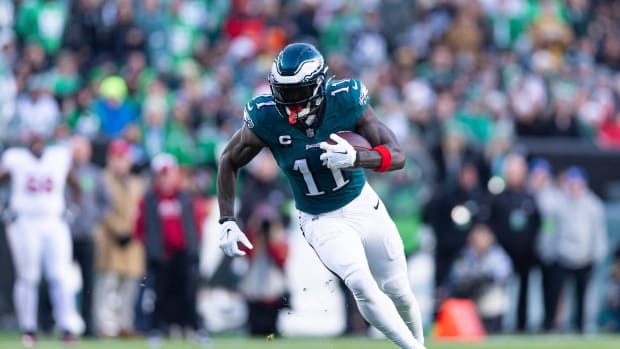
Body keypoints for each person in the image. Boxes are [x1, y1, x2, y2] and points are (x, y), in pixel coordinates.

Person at [217, 43, 425, 349]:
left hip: (363, 205)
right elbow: (229, 160)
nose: (287, 102)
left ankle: (419, 343)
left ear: (317, 85)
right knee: (360, 283)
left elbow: (397, 156)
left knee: (398, 289)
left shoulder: (346, 100)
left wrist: (356, 158)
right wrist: (226, 219)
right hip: (320, 219)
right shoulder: (266, 117)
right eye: (281, 91)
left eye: (295, 91)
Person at [0, 134, 84, 346]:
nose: (37, 143)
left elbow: (76, 186)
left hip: (54, 221)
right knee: (28, 276)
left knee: (60, 274)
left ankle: (67, 327)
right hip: (25, 223)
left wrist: (72, 211)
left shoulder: (58, 157)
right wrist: (4, 209)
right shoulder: (15, 158)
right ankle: (28, 328)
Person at [134, 153, 209, 345]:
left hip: (183, 255)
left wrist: (194, 249)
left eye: (168, 174)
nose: (165, 179)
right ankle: (156, 330)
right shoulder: (149, 199)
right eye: (161, 175)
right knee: (159, 295)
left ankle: (195, 329)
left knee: (188, 294)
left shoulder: (185, 197)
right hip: (161, 256)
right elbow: (140, 227)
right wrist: (150, 249)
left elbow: (196, 225)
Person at [94, 139, 145, 338]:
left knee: (129, 288)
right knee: (107, 285)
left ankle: (125, 325)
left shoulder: (136, 182)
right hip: (110, 241)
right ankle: (104, 326)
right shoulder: (103, 179)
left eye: (123, 158)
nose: (120, 162)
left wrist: (132, 231)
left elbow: (140, 211)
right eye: (116, 158)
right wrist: (119, 229)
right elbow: (101, 209)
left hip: (133, 242)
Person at [489, 153, 541, 332]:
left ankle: (522, 324)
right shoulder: (499, 197)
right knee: (499, 291)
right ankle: (498, 324)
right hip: (503, 253)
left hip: (525, 253)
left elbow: (537, 224)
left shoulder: (530, 197)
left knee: (524, 291)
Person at [552, 167, 607, 332]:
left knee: (583, 295)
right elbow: (551, 230)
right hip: (562, 256)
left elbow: (598, 232)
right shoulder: (559, 205)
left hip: (585, 257)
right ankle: (556, 325)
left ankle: (582, 326)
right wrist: (548, 249)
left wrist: (597, 253)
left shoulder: (593, 205)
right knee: (558, 295)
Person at [69, 135, 111, 337]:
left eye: (81, 149)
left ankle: (88, 325)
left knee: (89, 283)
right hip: (65, 235)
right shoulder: (63, 171)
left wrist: (94, 218)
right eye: (75, 149)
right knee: (60, 281)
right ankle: (55, 323)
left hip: (86, 235)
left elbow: (106, 202)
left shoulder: (94, 174)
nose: (78, 153)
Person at [448, 224, 512, 332]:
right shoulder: (465, 254)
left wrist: (485, 279)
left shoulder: (497, 254)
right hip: (470, 297)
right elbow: (457, 275)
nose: (481, 240)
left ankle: (493, 328)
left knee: (497, 296)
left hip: (488, 295)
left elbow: (504, 274)